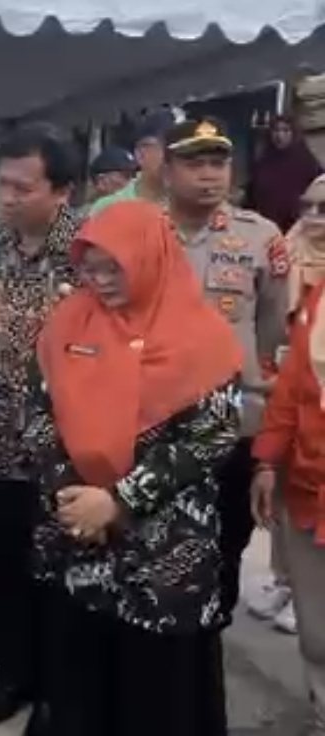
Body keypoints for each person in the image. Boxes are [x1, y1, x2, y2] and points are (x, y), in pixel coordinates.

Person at [31, 200, 241, 736]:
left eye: (114, 268)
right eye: (90, 268)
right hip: (81, 537)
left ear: (150, 261)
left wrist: (118, 501)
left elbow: (211, 437)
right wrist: (71, 495)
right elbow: (40, 414)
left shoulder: (203, 335)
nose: (100, 281)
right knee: (82, 676)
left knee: (156, 693)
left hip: (164, 548)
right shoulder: (69, 322)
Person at [0, 124, 82, 726]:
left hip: (69, 449)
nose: (7, 197)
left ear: (61, 191)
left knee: (59, 574)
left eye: (22, 187)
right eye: (2, 184)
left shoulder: (89, 250)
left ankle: (57, 692)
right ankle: (14, 674)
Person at [163, 117, 289, 627]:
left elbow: (272, 331)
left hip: (232, 424)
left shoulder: (260, 237)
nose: (209, 174)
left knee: (225, 546)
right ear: (167, 171)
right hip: (157, 422)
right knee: (158, 548)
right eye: (195, 163)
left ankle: (208, 640)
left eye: (218, 163)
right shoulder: (141, 231)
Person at [244, 175, 325, 634]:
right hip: (289, 394)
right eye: (307, 207)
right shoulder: (287, 253)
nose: (313, 219)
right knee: (285, 500)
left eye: (324, 210)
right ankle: (288, 580)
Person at [251, 271, 325, 733]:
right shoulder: (317, 303)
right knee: (316, 631)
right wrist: (267, 461)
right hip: (306, 490)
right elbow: (291, 390)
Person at [90, 109, 177, 215]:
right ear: (141, 155)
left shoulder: (189, 204)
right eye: (167, 148)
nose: (176, 158)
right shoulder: (108, 208)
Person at [246, 115, 323, 234]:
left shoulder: (307, 163)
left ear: (294, 134)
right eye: (276, 130)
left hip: (298, 230)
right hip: (266, 229)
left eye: (286, 130)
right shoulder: (263, 163)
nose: (280, 135)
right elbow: (251, 197)